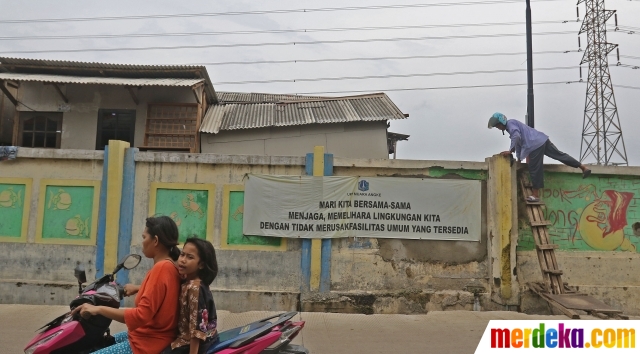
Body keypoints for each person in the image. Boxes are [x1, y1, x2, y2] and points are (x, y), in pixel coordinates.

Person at [71, 216, 182, 354]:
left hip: (147, 345)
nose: (142, 242)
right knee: (98, 343)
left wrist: (98, 309)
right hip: (147, 337)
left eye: (144, 237)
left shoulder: (161, 269)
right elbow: (163, 293)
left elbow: (140, 316)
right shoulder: (170, 266)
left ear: (155, 240)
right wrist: (138, 288)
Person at [487, 112, 591, 202]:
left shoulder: (510, 124)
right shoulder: (513, 125)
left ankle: (535, 195)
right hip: (542, 139)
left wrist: (510, 151)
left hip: (534, 145)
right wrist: (518, 158)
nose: (498, 127)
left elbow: (516, 137)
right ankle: (583, 167)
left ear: (502, 121)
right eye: (497, 126)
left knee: (534, 168)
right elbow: (518, 143)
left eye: (498, 125)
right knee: (559, 155)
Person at [162, 237, 219, 354]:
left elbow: (197, 328)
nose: (183, 260)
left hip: (191, 344)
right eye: (182, 254)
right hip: (190, 338)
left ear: (201, 265)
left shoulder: (194, 288)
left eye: (190, 257)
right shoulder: (188, 281)